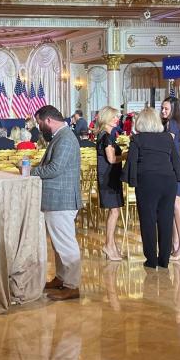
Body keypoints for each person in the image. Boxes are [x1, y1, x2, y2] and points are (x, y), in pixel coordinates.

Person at [31, 105, 83, 301]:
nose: (39, 127)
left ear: (48, 121)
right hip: (56, 199)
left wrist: (31, 172)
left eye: (39, 123)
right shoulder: (60, 137)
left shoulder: (66, 138)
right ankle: (62, 278)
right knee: (58, 244)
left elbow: (55, 169)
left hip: (62, 199)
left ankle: (72, 285)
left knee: (66, 243)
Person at [125, 108, 180, 269]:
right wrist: (179, 178)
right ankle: (164, 259)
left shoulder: (137, 139)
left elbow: (132, 161)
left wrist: (130, 180)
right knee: (166, 219)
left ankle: (151, 259)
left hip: (147, 182)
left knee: (148, 220)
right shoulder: (167, 138)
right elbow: (176, 160)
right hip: (168, 182)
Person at [160, 96, 180, 261]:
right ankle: (177, 242)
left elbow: (166, 143)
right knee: (173, 206)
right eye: (162, 108)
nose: (163, 111)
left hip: (173, 166)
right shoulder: (177, 123)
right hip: (175, 165)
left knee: (175, 205)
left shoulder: (171, 124)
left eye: (166, 109)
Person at [94, 106, 123, 261]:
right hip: (108, 177)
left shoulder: (106, 135)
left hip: (110, 177)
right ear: (106, 118)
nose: (117, 119)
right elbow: (111, 159)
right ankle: (108, 245)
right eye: (114, 117)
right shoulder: (106, 137)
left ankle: (111, 245)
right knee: (114, 212)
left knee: (114, 211)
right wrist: (125, 156)